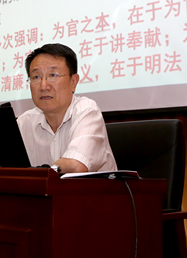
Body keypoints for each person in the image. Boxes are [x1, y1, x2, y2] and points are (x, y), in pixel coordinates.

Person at [17, 43, 117, 174]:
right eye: (36, 77)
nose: (43, 86)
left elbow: (76, 166)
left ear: (73, 81)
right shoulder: (24, 122)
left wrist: (40, 173)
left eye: (53, 75)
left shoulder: (87, 111)